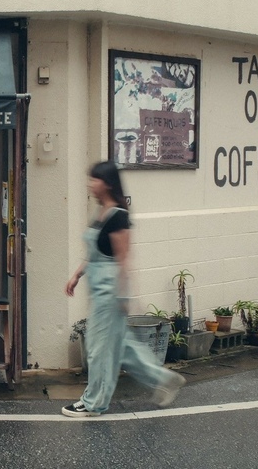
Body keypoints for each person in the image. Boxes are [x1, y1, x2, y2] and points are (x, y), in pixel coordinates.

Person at [62, 160, 185, 417]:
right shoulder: (101, 213)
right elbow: (95, 253)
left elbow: (123, 259)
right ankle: (163, 378)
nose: (90, 184)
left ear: (107, 183)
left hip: (110, 294)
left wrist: (125, 295)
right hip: (100, 290)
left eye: (94, 179)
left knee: (98, 351)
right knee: (122, 349)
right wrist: (77, 274)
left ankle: (93, 402)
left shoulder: (118, 216)